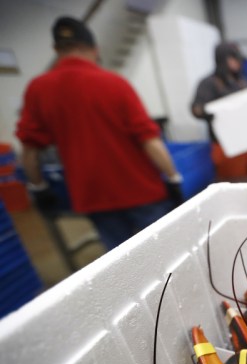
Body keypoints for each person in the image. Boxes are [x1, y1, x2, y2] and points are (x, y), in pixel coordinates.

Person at [16, 16, 183, 251]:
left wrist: (38, 187)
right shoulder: (115, 84)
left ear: (56, 50)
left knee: (119, 262)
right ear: (95, 49)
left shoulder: (38, 89)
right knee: (165, 252)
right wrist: (173, 178)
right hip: (141, 190)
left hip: (92, 195)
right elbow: (149, 141)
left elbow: (30, 151)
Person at [191, 42, 247, 182]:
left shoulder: (242, 81)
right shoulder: (209, 83)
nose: (237, 63)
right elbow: (196, 109)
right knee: (234, 184)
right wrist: (207, 111)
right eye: (233, 58)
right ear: (222, 59)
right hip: (227, 147)